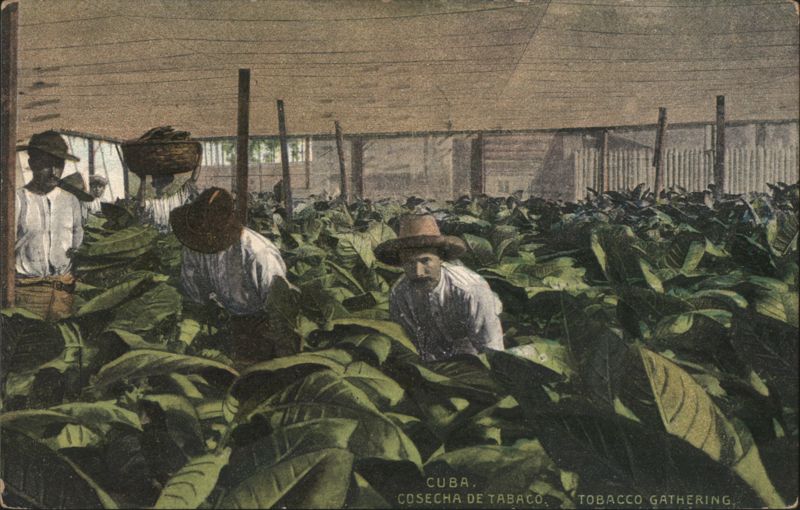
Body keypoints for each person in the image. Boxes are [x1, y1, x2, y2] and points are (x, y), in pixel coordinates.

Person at [169, 187, 294, 363]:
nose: (203, 243)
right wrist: (182, 341)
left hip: (265, 327)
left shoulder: (258, 254)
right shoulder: (194, 248)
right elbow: (194, 303)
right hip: (231, 324)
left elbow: (282, 312)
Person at [375, 214, 505, 362]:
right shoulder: (399, 292)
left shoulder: (470, 288)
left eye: (425, 261)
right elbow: (405, 340)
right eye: (409, 263)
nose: (418, 272)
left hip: (473, 362)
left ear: (441, 258)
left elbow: (491, 347)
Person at [14, 131, 84, 320]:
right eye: (47, 164)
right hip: (28, 294)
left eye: (59, 165)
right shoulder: (17, 200)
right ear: (32, 164)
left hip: (64, 293)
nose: (54, 172)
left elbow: (77, 246)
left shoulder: (71, 201)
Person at [137, 164, 201, 233]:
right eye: (159, 183)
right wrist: (143, 180)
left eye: (164, 183)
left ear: (169, 185)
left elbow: (193, 179)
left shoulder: (177, 198)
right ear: (155, 185)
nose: (161, 185)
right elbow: (141, 204)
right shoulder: (153, 204)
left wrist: (200, 156)